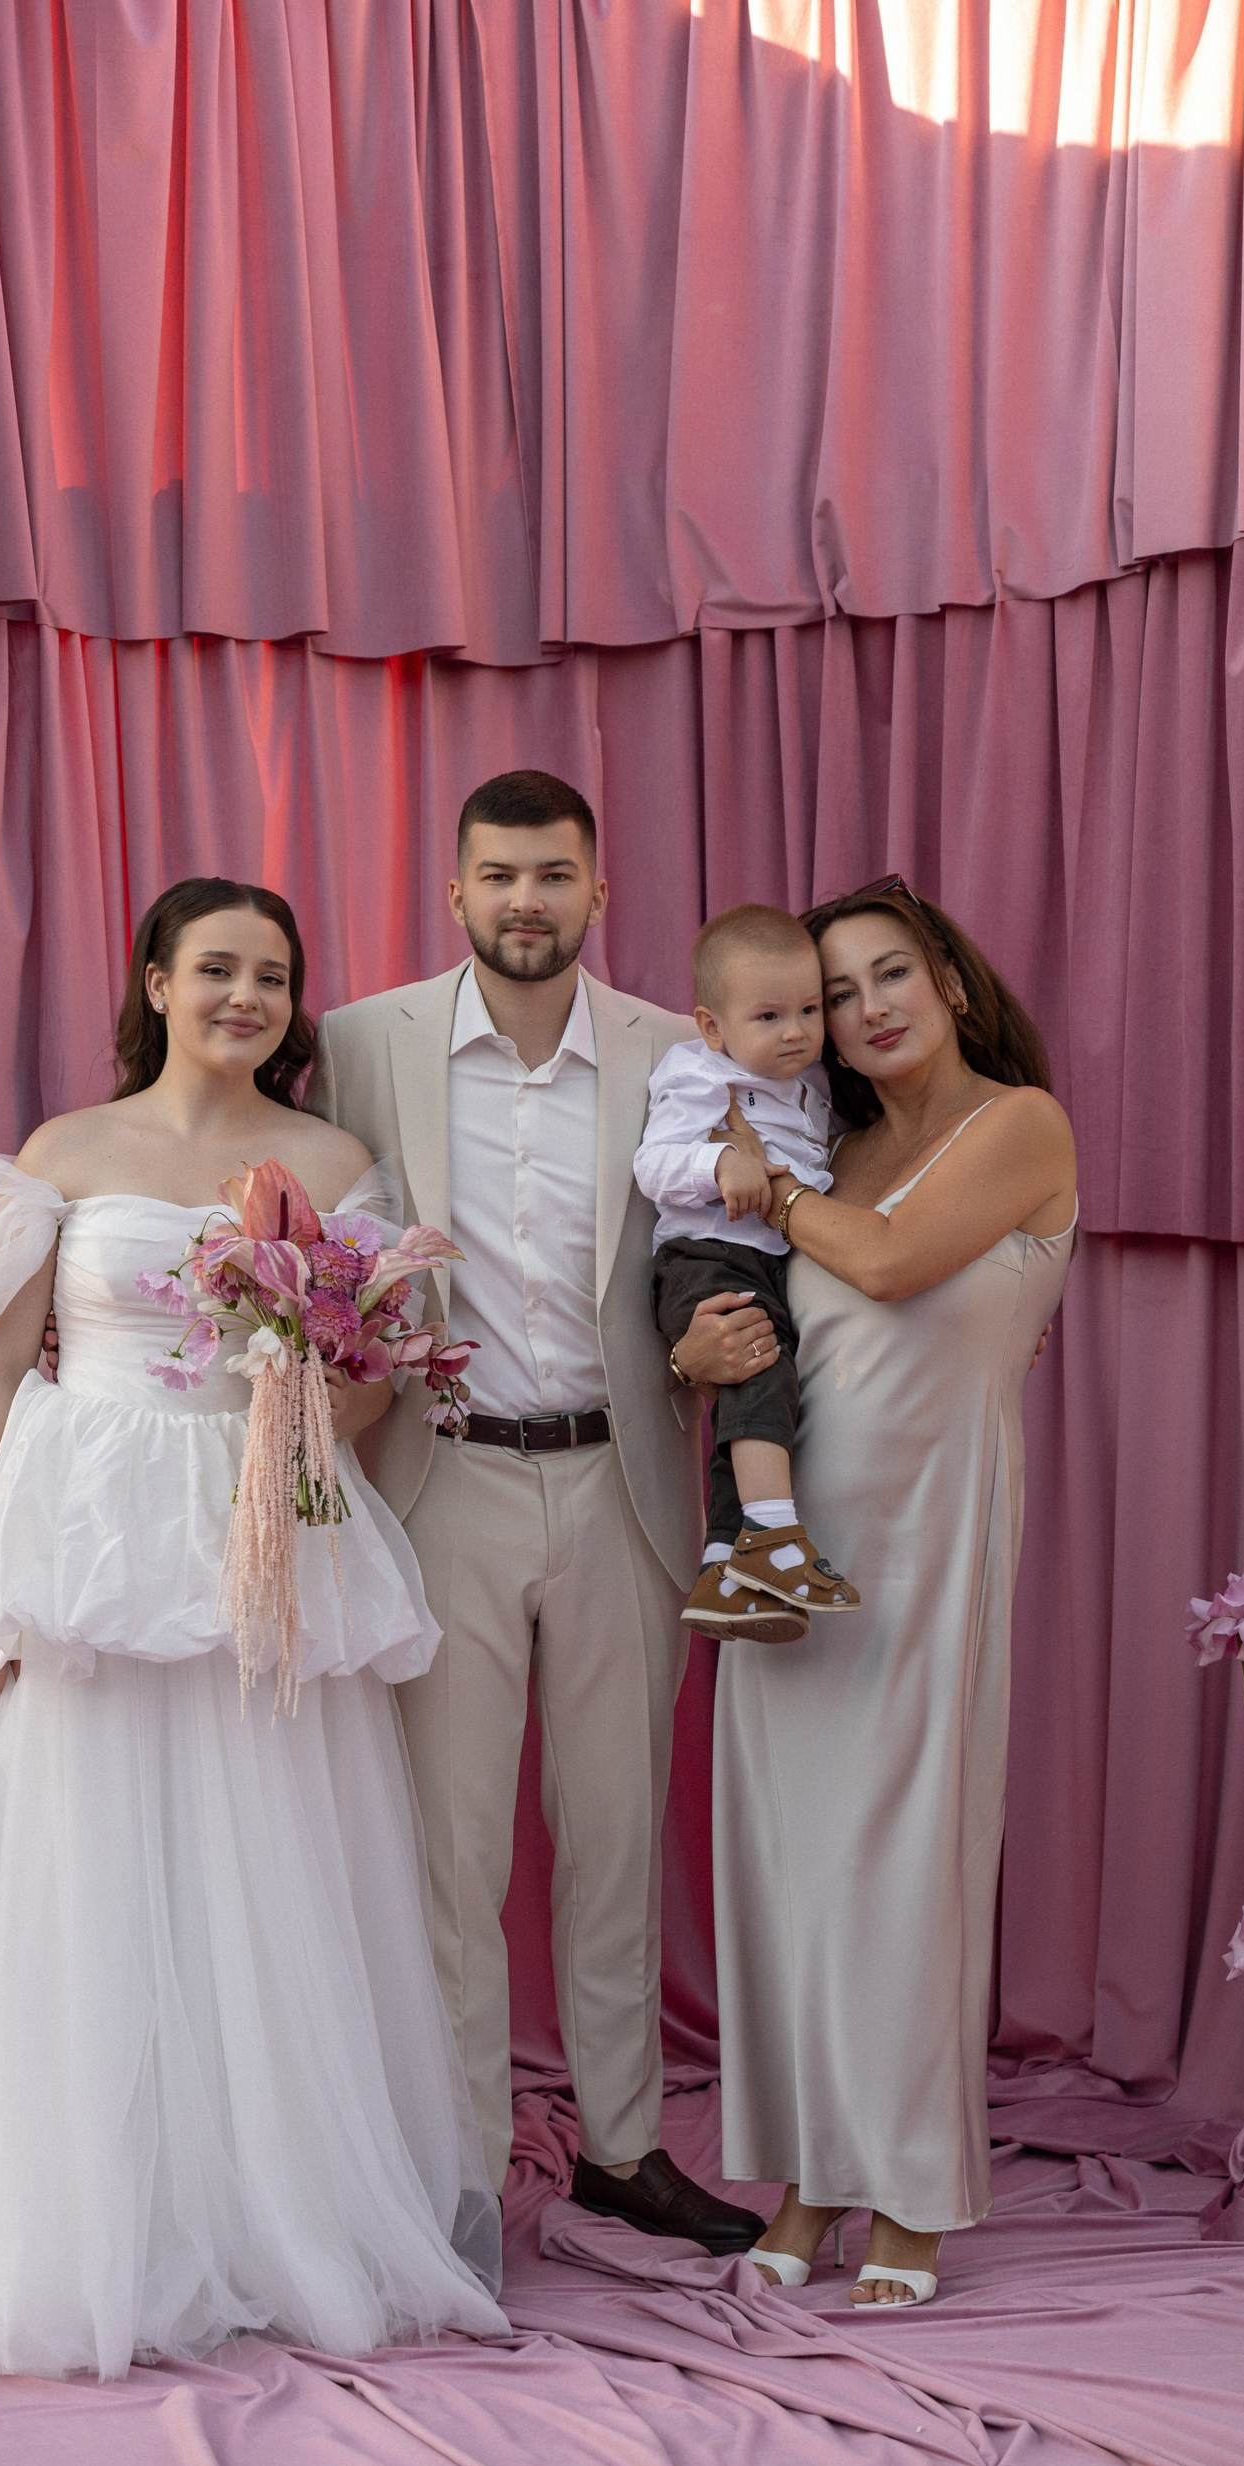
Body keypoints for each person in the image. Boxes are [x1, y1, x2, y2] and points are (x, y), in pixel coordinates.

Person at [0, 878, 509, 2378]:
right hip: (88, 1534)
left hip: (259, 1533)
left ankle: (260, 2218)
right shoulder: (63, 1154)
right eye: (215, 967)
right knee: (79, 1867)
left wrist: (308, 1371)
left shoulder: (333, 1162)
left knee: (265, 1867)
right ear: (155, 980)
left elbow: (367, 1395)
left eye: (271, 975)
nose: (244, 996)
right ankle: (74, 2231)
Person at [305, 770, 767, 2252]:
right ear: (455, 892)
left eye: (553, 875)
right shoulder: (358, 1043)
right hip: (441, 1481)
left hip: (622, 1478)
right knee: (451, 1854)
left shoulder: (673, 1050)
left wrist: (711, 1348)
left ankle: (621, 2145)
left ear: (596, 892)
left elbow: (725, 1230)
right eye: (499, 875)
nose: (525, 901)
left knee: (617, 1833)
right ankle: (459, 2173)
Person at [711, 876, 1076, 2310]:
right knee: (793, 1872)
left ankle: (912, 2194)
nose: (864, 1009)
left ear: (950, 981)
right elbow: (776, 1332)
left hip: (928, 1543)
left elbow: (885, 1259)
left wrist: (773, 1188)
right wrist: (701, 1349)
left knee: (905, 1871)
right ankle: (812, 2178)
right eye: (835, 991)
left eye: (889, 975)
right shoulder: (836, 1147)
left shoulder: (1019, 1125)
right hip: (788, 1551)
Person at [635, 902, 858, 1644]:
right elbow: (653, 1165)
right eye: (768, 1016)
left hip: (766, 1261)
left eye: (808, 1010)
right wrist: (720, 1160)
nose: (795, 1031)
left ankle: (725, 1572)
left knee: (756, 1404)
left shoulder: (811, 1086)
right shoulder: (701, 1073)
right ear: (712, 1026)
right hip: (705, 1256)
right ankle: (774, 1537)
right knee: (760, 1377)